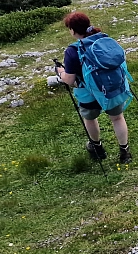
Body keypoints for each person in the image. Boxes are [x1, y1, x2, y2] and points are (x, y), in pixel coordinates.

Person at [56, 11, 132, 164]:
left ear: (72, 30)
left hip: (88, 92)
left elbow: (70, 80)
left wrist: (60, 72)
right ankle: (124, 152)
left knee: (90, 119)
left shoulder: (72, 51)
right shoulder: (104, 39)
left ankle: (97, 147)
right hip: (112, 88)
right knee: (117, 118)